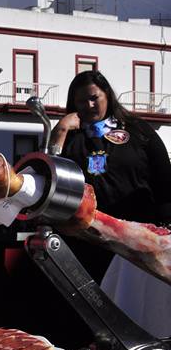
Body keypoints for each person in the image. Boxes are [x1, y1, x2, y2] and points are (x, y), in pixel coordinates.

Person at [49, 69, 171, 280]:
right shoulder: (69, 137)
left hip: (136, 241)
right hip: (86, 240)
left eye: (94, 98)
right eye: (80, 101)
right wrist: (60, 130)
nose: (89, 106)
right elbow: (50, 175)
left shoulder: (138, 130)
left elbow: (164, 177)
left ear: (107, 94)